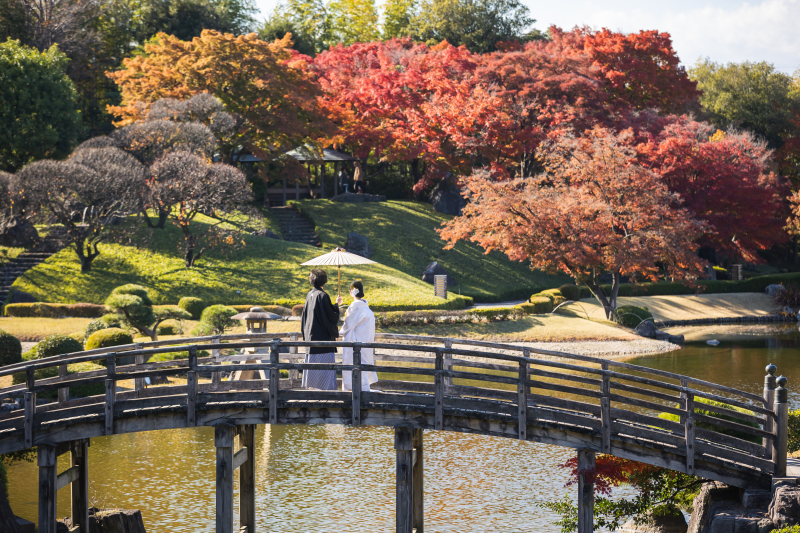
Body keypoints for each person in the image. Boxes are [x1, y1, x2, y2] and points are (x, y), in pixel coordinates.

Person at [300, 269, 342, 390]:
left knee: (313, 372)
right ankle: (326, 394)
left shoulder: (310, 294)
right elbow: (330, 317)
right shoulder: (323, 296)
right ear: (324, 280)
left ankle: (313, 392)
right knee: (325, 371)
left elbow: (305, 318)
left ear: (312, 280)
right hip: (323, 342)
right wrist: (336, 304)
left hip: (311, 339)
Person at [339, 281, 379, 391]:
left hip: (355, 342)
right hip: (366, 341)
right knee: (363, 366)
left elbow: (348, 324)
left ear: (352, 291)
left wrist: (338, 332)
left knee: (353, 366)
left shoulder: (355, 307)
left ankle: (353, 390)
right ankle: (363, 390)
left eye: (350, 290)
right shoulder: (366, 307)